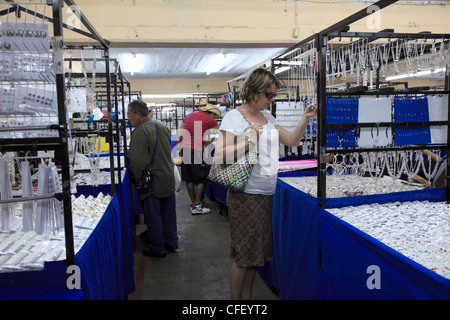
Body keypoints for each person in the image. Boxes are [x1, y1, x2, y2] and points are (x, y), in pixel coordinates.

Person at [214, 67, 317, 300]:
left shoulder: (267, 117)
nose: (272, 99)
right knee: (244, 257)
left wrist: (305, 118)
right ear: (254, 91)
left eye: (274, 95)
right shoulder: (235, 117)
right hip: (246, 194)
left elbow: (292, 140)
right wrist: (250, 141)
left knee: (254, 257)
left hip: (266, 193)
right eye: (268, 95)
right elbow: (219, 156)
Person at [127, 99, 178, 258]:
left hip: (153, 181)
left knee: (153, 215)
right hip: (168, 176)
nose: (128, 117)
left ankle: (157, 247)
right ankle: (171, 241)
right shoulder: (161, 126)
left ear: (137, 114)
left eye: (129, 114)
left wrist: (135, 178)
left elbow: (138, 162)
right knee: (168, 212)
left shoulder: (140, 132)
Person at [178, 104, 220, 215]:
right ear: (212, 113)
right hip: (197, 151)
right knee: (200, 179)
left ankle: (193, 204)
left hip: (185, 149)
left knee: (189, 179)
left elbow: (180, 134)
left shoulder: (189, 116)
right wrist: (206, 143)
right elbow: (216, 136)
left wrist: (180, 146)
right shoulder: (210, 120)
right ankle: (197, 206)